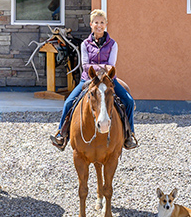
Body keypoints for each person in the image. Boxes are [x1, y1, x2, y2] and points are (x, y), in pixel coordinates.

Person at [50, 9, 138, 150]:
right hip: (88, 80)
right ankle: (62, 134)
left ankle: (129, 134)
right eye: (96, 22)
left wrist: (98, 67)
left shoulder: (113, 44)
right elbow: (85, 66)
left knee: (128, 101)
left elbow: (111, 67)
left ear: (106, 24)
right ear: (91, 24)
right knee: (68, 103)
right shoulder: (85, 44)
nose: (99, 25)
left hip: (109, 81)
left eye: (102, 22)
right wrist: (103, 67)